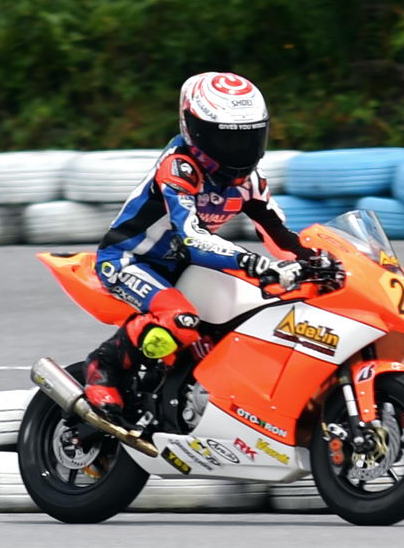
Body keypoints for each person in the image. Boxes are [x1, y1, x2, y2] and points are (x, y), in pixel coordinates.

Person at [84, 72, 337, 425]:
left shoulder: (249, 181)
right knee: (181, 320)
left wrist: (319, 259)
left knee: (252, 313)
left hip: (184, 266)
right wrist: (251, 261)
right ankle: (103, 367)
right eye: (225, 139)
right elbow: (192, 236)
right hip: (131, 260)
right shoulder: (179, 169)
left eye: (249, 137)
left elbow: (278, 233)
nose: (239, 150)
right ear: (193, 130)